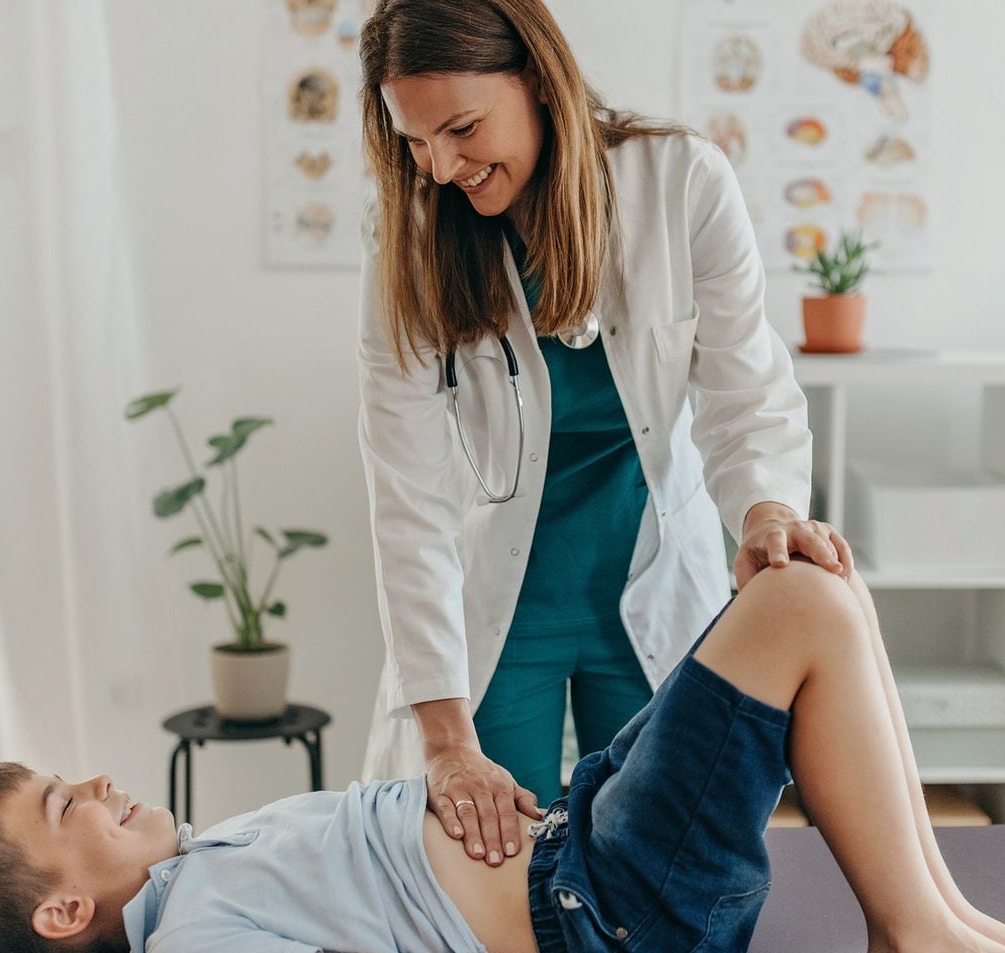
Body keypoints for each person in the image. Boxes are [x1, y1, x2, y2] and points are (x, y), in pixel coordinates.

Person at [0, 561, 1005, 953]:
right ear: (60, 907)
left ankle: (943, 915)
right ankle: (917, 944)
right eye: (64, 803)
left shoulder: (195, 864)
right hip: (616, 928)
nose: (96, 784)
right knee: (795, 612)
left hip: (580, 846)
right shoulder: (193, 951)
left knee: (810, 595)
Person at [353, 0, 845, 853]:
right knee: (495, 873)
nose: (440, 168)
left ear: (539, 80)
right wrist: (442, 738)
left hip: (653, 575)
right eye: (416, 141)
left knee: (660, 861)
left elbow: (747, 390)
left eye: (462, 129)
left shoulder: (680, 182)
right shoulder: (410, 236)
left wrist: (767, 512)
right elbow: (407, 493)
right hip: (507, 600)